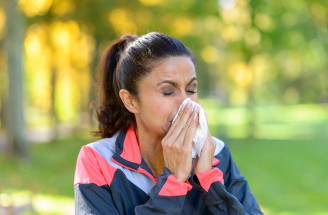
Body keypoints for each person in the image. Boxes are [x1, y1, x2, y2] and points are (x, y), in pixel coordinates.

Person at [74, 32, 263, 215]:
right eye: (167, 91)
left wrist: (208, 180)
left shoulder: (217, 153)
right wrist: (174, 181)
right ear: (131, 101)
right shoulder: (98, 160)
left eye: (191, 89)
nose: (185, 102)